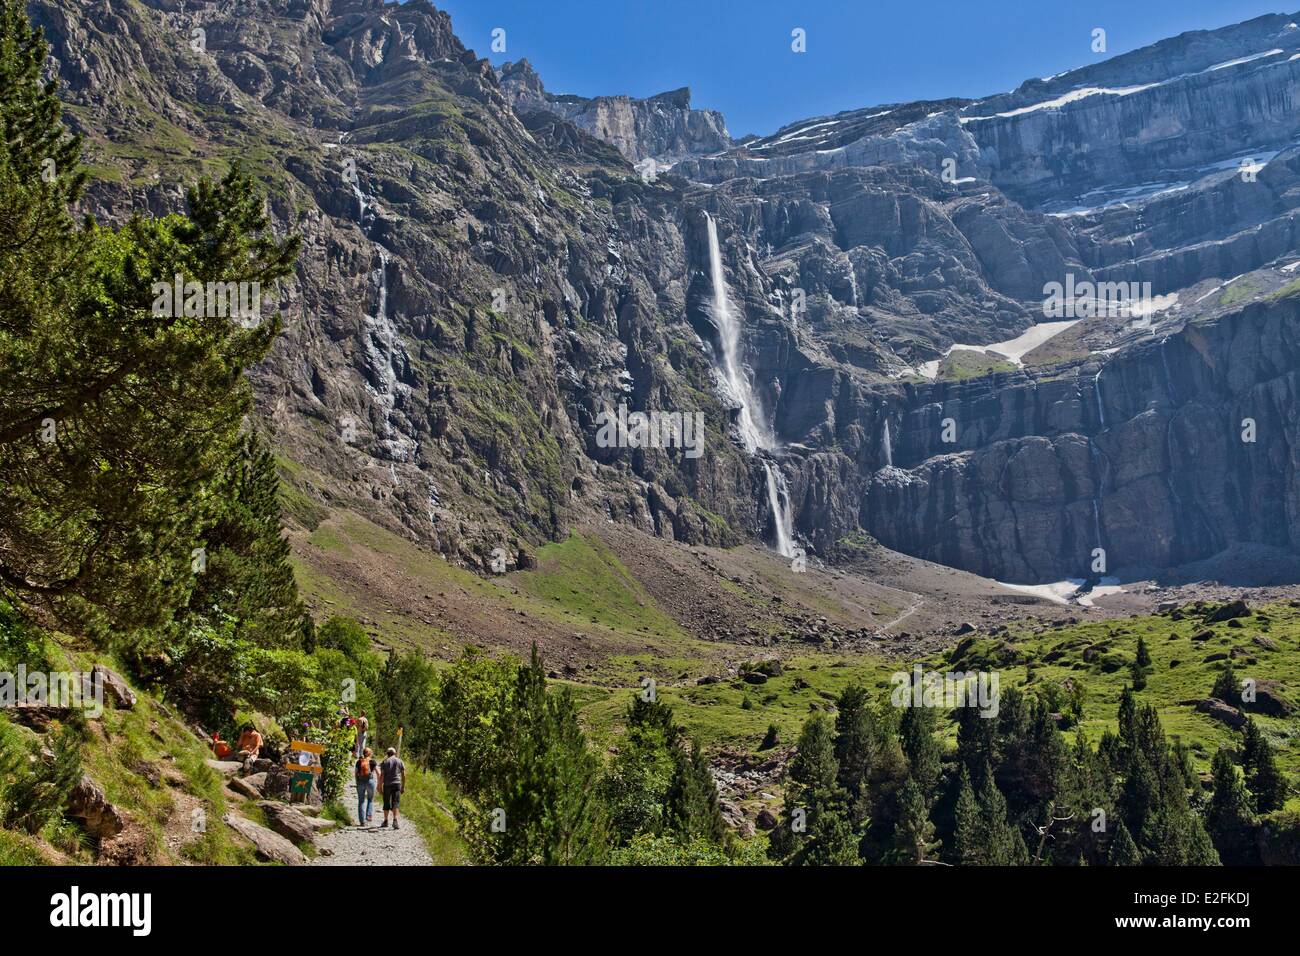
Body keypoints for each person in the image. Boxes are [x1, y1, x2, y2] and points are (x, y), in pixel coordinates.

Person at [378, 747, 405, 830]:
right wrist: (403, 786)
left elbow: (382, 775)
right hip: (397, 784)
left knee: (386, 802)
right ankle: (395, 821)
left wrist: (379, 785)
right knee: (395, 802)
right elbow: (403, 774)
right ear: (395, 753)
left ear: (387, 753)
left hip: (387, 784)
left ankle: (385, 821)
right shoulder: (400, 761)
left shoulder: (385, 762)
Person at [355, 747, 377, 826]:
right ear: (369, 753)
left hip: (360, 782)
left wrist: (357, 782)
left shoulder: (359, 761)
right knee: (370, 799)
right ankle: (368, 816)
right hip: (370, 782)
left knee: (361, 801)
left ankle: (362, 821)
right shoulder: (373, 761)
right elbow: (378, 773)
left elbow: (356, 773)